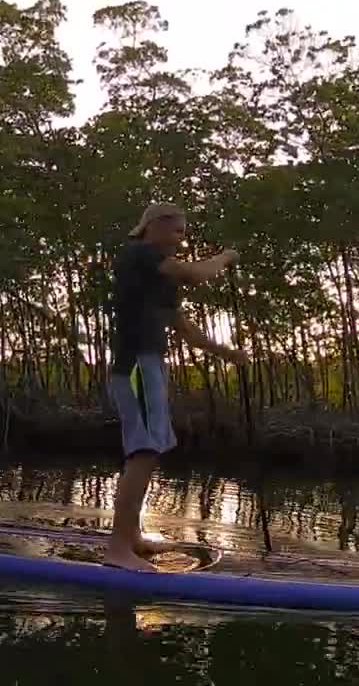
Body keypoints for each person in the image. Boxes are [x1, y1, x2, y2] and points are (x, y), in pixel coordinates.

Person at [104, 202, 248, 572]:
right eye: (176, 230)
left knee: (147, 449)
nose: (181, 238)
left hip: (149, 365)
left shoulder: (160, 278)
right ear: (152, 227)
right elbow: (198, 274)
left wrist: (227, 353)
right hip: (135, 365)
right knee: (145, 450)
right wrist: (227, 257)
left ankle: (131, 536)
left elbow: (184, 329)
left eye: (184, 232)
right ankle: (119, 549)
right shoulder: (139, 254)